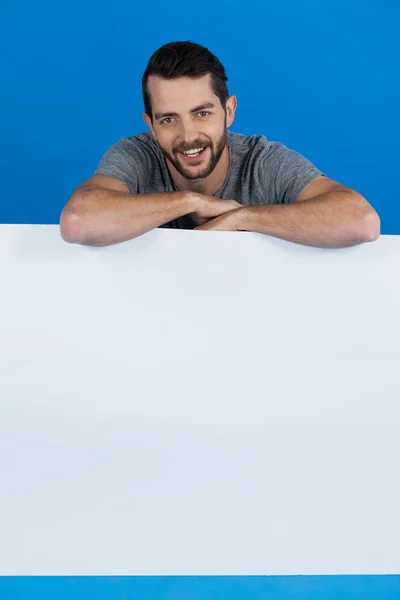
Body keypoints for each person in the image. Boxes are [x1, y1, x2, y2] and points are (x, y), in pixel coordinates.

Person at [60, 41, 380, 249]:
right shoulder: (136, 155)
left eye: (202, 113)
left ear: (228, 112)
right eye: (169, 119)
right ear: (151, 126)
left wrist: (241, 218)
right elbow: (78, 221)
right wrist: (190, 202)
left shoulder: (262, 161)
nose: (188, 136)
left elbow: (360, 220)